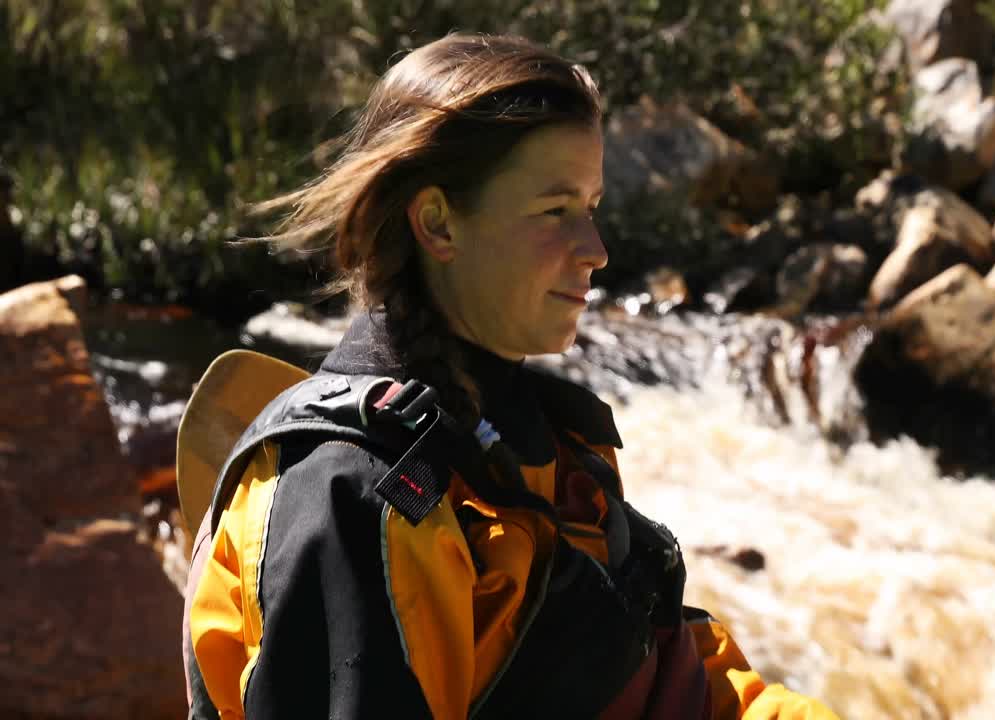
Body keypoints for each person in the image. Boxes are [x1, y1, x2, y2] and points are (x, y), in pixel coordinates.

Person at [183, 33, 838, 720]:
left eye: (591, 207)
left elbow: (675, 681)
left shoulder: (555, 444)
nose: (597, 251)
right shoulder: (352, 496)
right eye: (555, 212)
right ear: (438, 222)